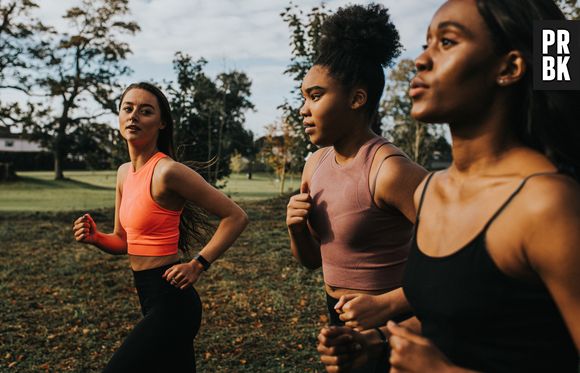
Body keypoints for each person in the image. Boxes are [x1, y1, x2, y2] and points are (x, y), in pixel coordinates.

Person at [317, 0, 580, 372]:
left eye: (448, 42)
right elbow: (458, 315)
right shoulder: (431, 190)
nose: (421, 60)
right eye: (426, 42)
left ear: (509, 67)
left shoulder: (547, 204)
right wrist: (379, 341)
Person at [285, 4, 427, 371]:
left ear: (356, 99)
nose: (303, 109)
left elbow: (459, 267)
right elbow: (312, 260)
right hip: (336, 314)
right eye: (303, 97)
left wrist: (390, 302)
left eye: (315, 96)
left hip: (395, 321)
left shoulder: (389, 170)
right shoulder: (314, 164)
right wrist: (296, 229)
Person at [72, 82, 249, 372]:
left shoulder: (167, 171)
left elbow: (236, 216)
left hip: (173, 303)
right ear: (118, 117)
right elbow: (122, 242)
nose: (134, 117)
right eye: (127, 109)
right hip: (148, 296)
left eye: (145, 111)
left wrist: (198, 264)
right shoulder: (123, 174)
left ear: (162, 122)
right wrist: (96, 238)